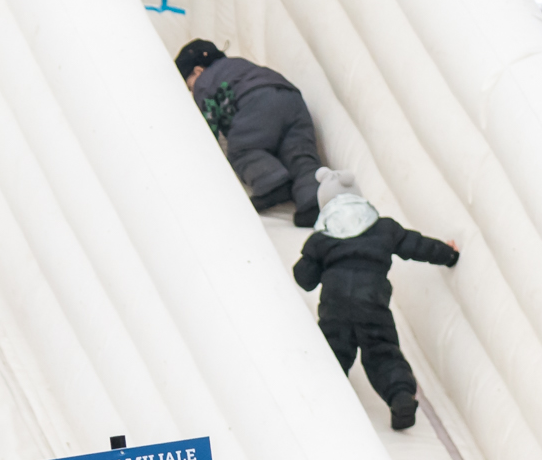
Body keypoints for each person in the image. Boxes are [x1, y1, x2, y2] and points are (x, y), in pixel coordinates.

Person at [289, 168, 460, 432]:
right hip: (372, 301)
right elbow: (416, 245)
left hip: (334, 304)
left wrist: (312, 257)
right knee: (382, 352)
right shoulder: (383, 228)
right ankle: (401, 397)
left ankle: (322, 403)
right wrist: (448, 254)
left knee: (333, 352)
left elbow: (305, 279)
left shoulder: (321, 239)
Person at [174, 39, 326, 225]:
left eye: (189, 87)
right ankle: (313, 201)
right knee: (299, 154)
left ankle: (272, 183)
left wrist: (203, 151)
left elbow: (207, 123)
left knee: (243, 151)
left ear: (198, 71)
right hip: (292, 98)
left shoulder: (204, 81)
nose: (193, 92)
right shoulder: (240, 65)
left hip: (257, 101)